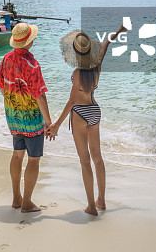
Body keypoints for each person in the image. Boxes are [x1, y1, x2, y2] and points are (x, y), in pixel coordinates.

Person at [46, 24, 125, 215]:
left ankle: (91, 206)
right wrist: (120, 31)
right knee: (98, 158)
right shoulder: (97, 67)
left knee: (85, 161)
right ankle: (102, 200)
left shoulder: (77, 73)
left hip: (80, 113)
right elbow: (106, 43)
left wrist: (56, 124)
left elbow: (73, 100)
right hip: (95, 111)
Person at [0, 22, 52, 213]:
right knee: (34, 159)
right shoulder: (32, 64)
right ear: (29, 42)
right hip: (31, 118)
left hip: (13, 116)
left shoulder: (6, 59)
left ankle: (16, 198)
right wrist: (49, 122)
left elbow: (2, 86)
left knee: (17, 154)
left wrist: (13, 106)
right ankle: (27, 202)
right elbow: (40, 96)